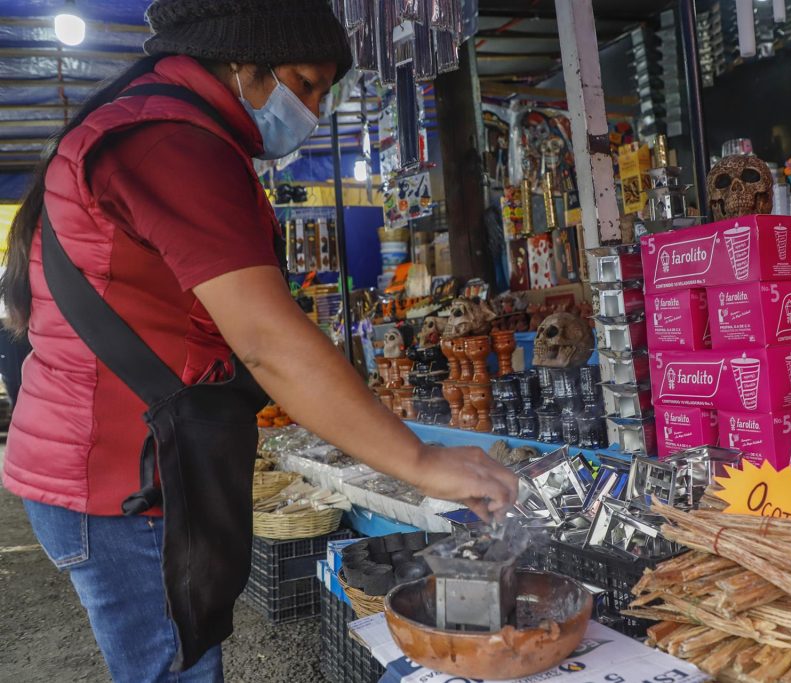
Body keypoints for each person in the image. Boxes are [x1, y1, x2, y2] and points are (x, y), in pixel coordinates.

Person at [0, 1, 518, 681]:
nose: (313, 109)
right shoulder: (170, 143)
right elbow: (267, 341)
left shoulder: (154, 125)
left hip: (115, 466)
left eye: (324, 92)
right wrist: (419, 458)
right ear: (243, 64)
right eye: (304, 84)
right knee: (173, 667)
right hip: (119, 479)